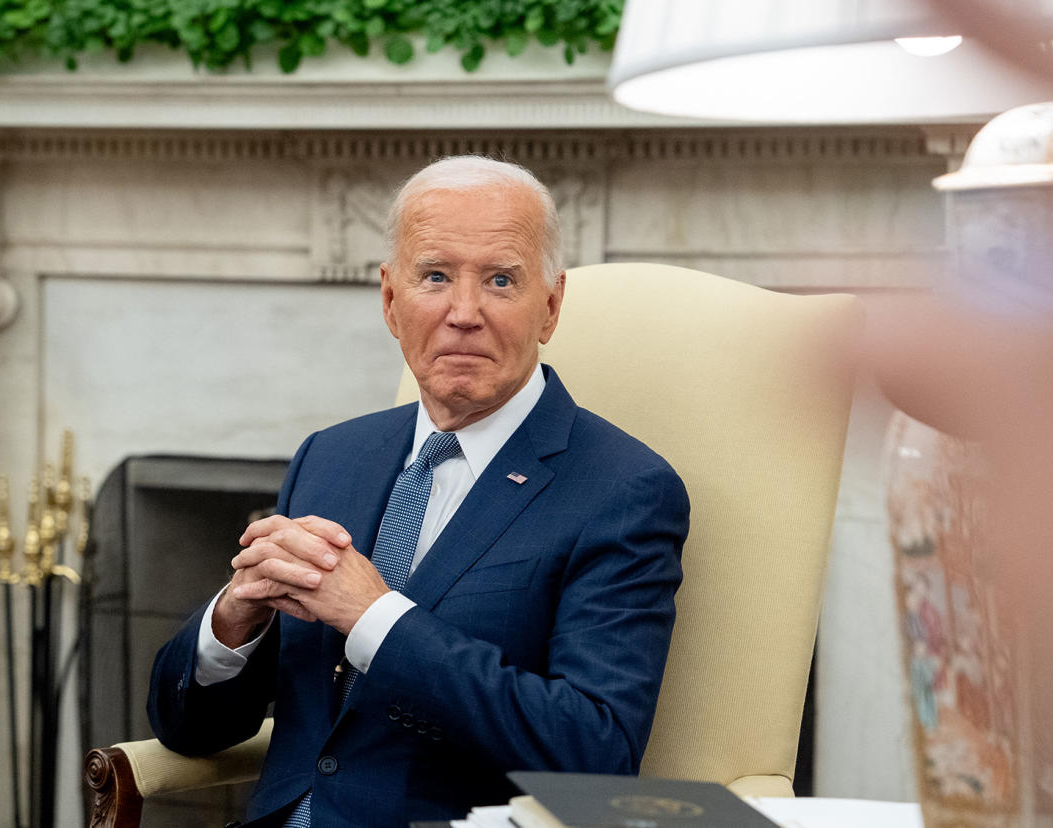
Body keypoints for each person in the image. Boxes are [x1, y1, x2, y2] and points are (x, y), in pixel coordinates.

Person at [147, 155, 690, 827]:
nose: (464, 312)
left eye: (500, 280)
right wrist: (234, 619)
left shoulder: (624, 489)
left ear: (549, 306)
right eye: (435, 276)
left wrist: (374, 618)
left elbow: (595, 751)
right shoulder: (332, 455)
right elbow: (189, 730)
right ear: (389, 300)